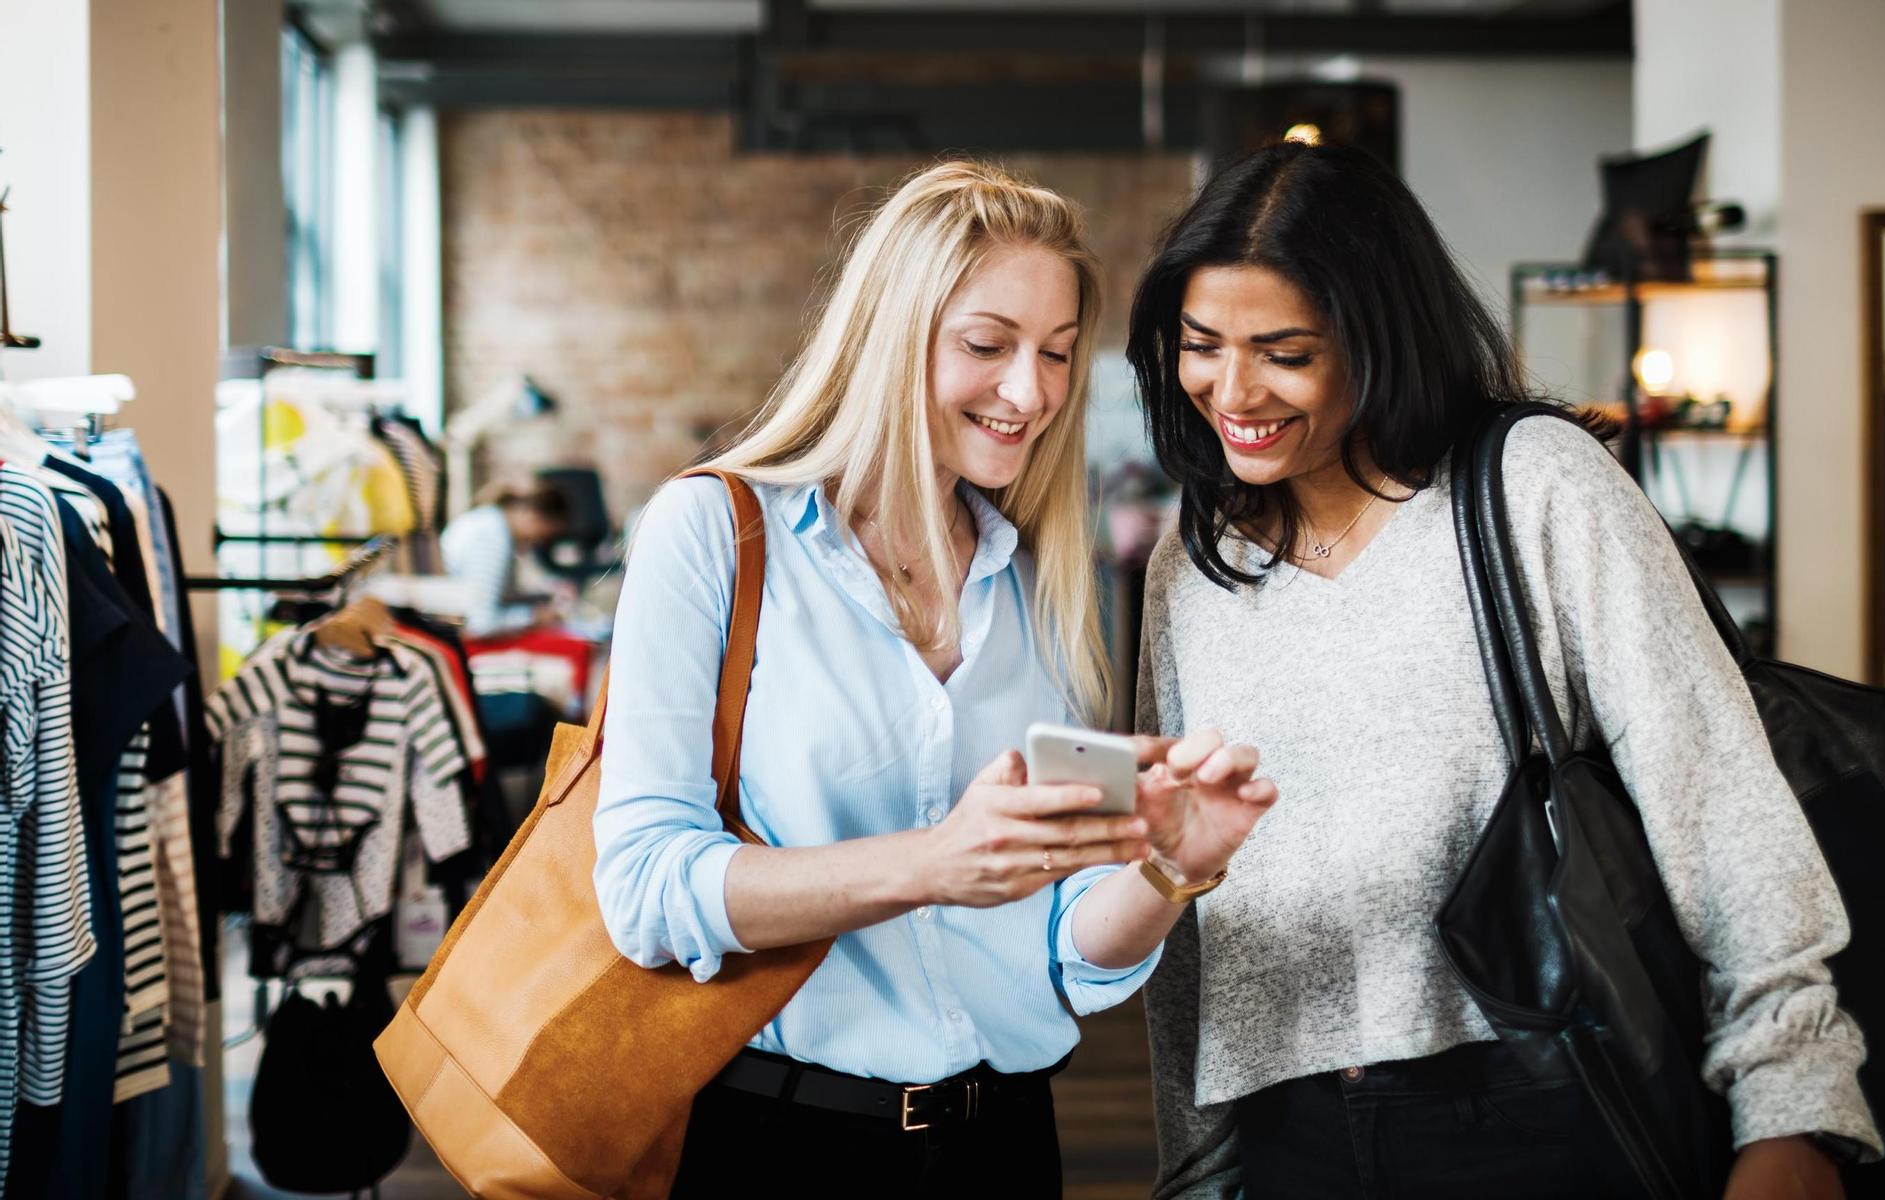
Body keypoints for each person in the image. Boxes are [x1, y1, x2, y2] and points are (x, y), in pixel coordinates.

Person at [1128, 141, 1881, 1198]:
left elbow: (1711, 791)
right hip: (1290, 1134)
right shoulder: (1196, 559)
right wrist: (1194, 1168)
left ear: (1377, 339)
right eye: (1200, 344)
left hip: (1533, 1103)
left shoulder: (1531, 487)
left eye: (1284, 352)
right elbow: (1191, 892)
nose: (1230, 389)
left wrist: (1788, 1104)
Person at [592, 161, 1278, 1196]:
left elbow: (1064, 944)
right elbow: (644, 888)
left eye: (1054, 354)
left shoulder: (1048, 573)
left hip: (1000, 1144)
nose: (1029, 392)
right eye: (985, 345)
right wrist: (929, 863)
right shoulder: (716, 532)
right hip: (778, 1143)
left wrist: (1168, 870)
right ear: (888, 336)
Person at [438, 482, 570, 636]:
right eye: (545, 536)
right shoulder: (493, 534)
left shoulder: (491, 520)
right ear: (533, 516)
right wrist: (533, 617)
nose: (538, 543)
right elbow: (480, 623)